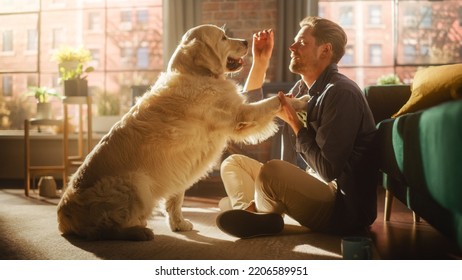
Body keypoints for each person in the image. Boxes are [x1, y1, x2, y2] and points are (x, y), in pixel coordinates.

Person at [216, 16, 379, 238]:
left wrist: (295, 124)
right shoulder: (304, 89)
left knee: (272, 171)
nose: (292, 47)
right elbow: (248, 114)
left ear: (325, 50)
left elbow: (328, 170)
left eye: (302, 42)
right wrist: (261, 61)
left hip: (341, 207)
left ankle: (250, 210)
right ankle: (252, 212)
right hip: (310, 183)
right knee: (233, 163)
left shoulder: (341, 93)